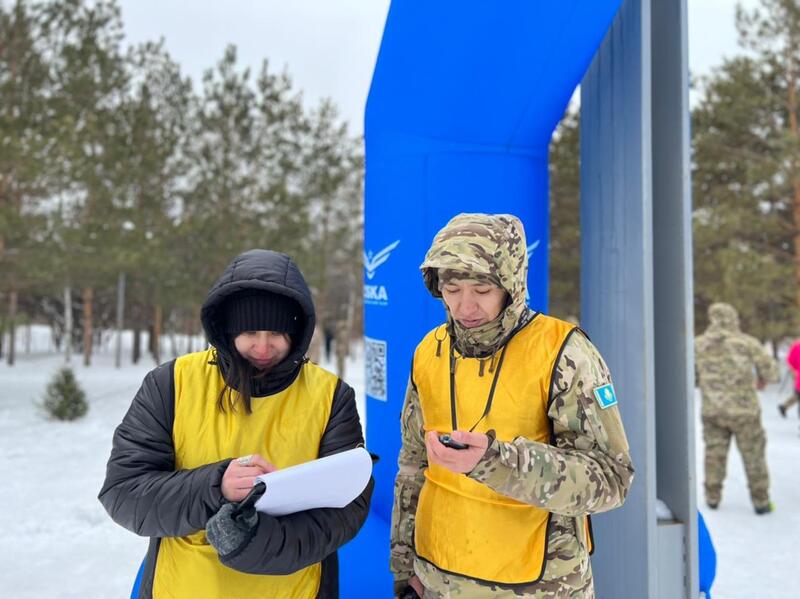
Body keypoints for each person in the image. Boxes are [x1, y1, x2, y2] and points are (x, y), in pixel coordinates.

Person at [99, 249, 373, 599]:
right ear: (227, 329)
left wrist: (254, 542)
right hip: (183, 587)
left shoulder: (331, 395)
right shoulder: (171, 383)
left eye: (276, 332)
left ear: (297, 331)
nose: (263, 346)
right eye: (250, 331)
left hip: (293, 590)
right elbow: (124, 492)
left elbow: (345, 508)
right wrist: (215, 487)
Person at [390, 213, 634, 598]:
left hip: (540, 586)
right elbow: (412, 465)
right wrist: (405, 568)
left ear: (511, 284)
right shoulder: (428, 351)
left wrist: (497, 462)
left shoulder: (563, 352)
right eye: (452, 289)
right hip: (437, 580)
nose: (465, 306)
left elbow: (610, 479)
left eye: (482, 289)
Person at [694, 302, 778, 514]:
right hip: (745, 411)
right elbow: (771, 374)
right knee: (753, 454)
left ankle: (712, 497)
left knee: (714, 453)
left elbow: (693, 378)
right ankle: (761, 501)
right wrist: (760, 378)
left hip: (712, 410)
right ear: (734, 318)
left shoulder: (698, 345)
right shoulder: (747, 342)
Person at [778, 338, 800, 418]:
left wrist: (794, 371)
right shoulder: (797, 346)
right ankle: (784, 407)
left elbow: (790, 360)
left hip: (798, 375)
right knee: (797, 395)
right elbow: (791, 360)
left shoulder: (796, 345)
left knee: (797, 395)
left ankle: (784, 407)